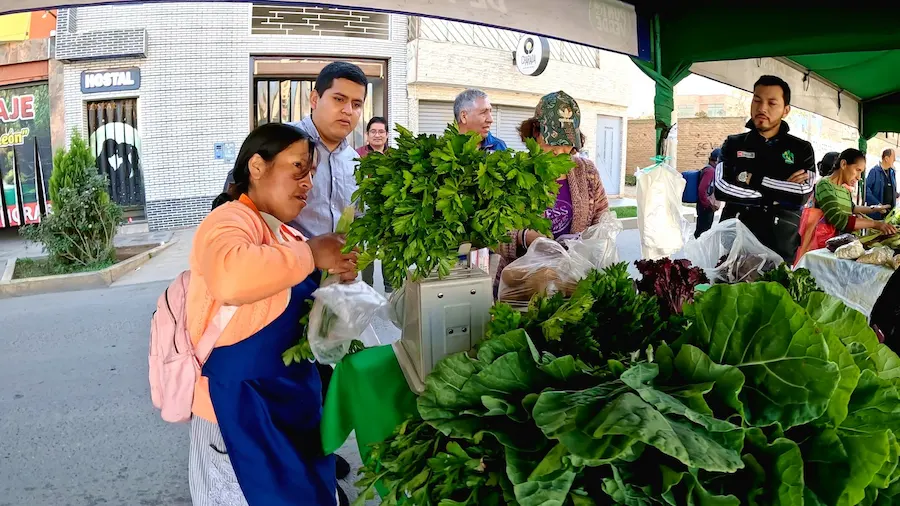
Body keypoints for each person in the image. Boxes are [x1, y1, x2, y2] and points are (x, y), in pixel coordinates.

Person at [188, 123, 358, 506]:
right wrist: (314, 255)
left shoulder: (289, 235)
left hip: (289, 404)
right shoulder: (229, 220)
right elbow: (231, 277)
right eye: (298, 167)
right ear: (257, 167)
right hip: (236, 413)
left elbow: (316, 321)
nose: (307, 183)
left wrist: (339, 281)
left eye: (312, 173)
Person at [224, 60, 367, 500]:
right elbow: (238, 202)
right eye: (338, 99)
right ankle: (300, 466)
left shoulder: (353, 156)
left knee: (322, 372)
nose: (348, 111)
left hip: (327, 286)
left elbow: (352, 219)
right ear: (315, 98)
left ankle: (318, 453)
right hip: (278, 288)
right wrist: (305, 254)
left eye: (357, 104)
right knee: (285, 382)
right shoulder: (286, 144)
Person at [495, 91, 609, 290]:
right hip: (523, 284)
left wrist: (593, 243)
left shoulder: (587, 172)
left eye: (566, 143)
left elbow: (601, 219)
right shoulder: (513, 173)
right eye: (552, 141)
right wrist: (524, 237)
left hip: (573, 281)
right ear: (535, 132)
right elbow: (493, 233)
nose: (559, 150)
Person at [714, 75, 816, 263]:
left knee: (776, 291)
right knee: (729, 291)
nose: (762, 108)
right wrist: (778, 194)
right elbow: (721, 188)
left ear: (786, 110)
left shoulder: (802, 149)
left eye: (772, 103)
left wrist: (751, 179)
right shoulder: (733, 143)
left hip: (780, 241)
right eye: (757, 100)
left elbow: (802, 193)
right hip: (736, 241)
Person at [795, 148, 896, 264]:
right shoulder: (824, 185)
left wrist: (874, 208)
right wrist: (876, 224)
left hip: (837, 250)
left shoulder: (844, 189)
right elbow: (839, 219)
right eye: (857, 170)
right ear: (843, 164)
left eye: (861, 172)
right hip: (821, 249)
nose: (859, 177)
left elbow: (851, 208)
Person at [356, 116, 392, 293]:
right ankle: (367, 288)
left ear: (387, 135)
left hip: (389, 209)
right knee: (368, 250)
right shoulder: (357, 155)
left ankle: (389, 288)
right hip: (367, 209)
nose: (377, 135)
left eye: (381, 132)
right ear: (367, 135)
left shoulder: (394, 156)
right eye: (373, 131)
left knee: (388, 249)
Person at [453, 88, 508, 153]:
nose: (491, 120)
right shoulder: (446, 149)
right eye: (483, 112)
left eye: (490, 112)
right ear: (464, 116)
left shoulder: (499, 146)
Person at [695, 148, 722, 238]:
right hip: (705, 206)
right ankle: (698, 250)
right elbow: (702, 190)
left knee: (703, 230)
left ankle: (698, 249)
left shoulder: (710, 169)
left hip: (705, 206)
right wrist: (708, 205)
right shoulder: (710, 171)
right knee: (703, 232)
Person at [866, 148, 898, 218]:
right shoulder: (874, 171)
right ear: (886, 158)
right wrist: (878, 205)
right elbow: (866, 191)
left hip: (889, 215)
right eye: (893, 157)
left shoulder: (892, 172)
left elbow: (891, 190)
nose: (895, 160)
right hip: (876, 215)